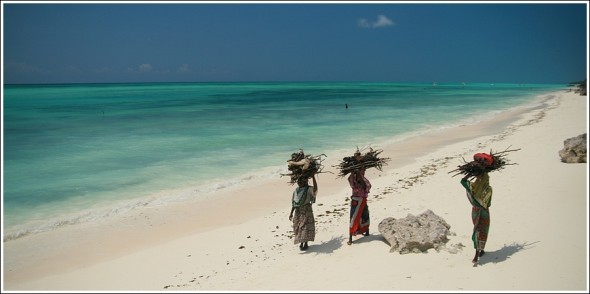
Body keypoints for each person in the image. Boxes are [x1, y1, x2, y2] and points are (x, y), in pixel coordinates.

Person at [460, 171, 492, 264]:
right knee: (483, 230)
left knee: (477, 230)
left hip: (476, 211)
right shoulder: (489, 189)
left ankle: (477, 252)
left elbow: (462, 181)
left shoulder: (473, 188)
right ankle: (480, 250)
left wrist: (470, 173)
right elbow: (489, 203)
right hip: (485, 212)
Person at [289, 174, 318, 250]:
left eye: (301, 181)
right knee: (298, 227)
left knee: (305, 227)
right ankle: (301, 242)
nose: (299, 183)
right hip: (298, 211)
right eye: (298, 181)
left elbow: (315, 190)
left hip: (306, 210)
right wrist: (291, 213)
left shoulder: (308, 189)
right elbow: (294, 202)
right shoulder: (296, 190)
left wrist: (314, 177)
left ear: (305, 182)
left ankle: (305, 243)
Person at [347, 156, 372, 245]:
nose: (364, 172)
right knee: (353, 218)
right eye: (362, 170)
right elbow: (350, 180)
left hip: (363, 200)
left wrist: (359, 174)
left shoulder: (364, 180)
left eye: (364, 170)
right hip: (356, 201)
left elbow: (365, 186)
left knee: (365, 215)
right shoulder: (354, 180)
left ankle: (366, 231)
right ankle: (350, 238)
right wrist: (354, 172)